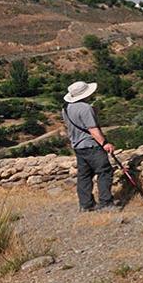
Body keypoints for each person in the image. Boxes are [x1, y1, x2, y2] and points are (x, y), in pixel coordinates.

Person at [62, 81, 117, 212]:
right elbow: (93, 130)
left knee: (84, 175)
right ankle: (106, 203)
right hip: (91, 145)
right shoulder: (85, 108)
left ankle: (86, 204)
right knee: (104, 171)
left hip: (78, 146)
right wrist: (105, 143)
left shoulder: (65, 108)